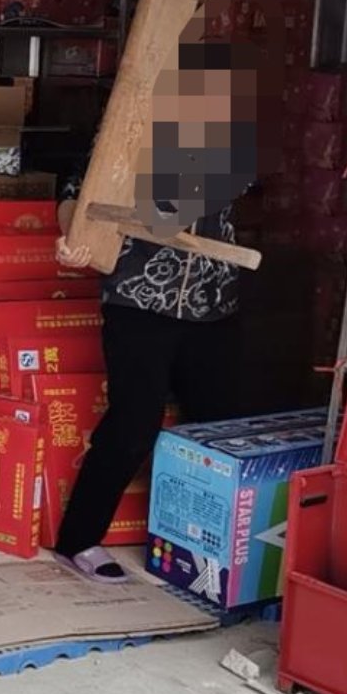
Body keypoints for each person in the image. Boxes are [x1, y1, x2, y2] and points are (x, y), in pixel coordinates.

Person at [51, 45, 259, 583]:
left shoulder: (229, 143)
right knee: (133, 421)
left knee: (217, 426)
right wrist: (76, 239)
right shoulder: (124, 137)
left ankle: (197, 545)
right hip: (140, 299)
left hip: (213, 302)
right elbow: (77, 197)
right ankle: (80, 539)